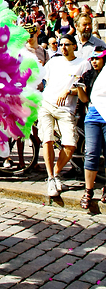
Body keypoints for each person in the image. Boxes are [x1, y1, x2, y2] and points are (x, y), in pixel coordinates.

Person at [38, 34, 90, 197]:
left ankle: (55, 172)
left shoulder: (83, 64)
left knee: (70, 144)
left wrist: (69, 91)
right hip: (46, 104)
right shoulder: (54, 62)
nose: (63, 47)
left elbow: (84, 88)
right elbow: (43, 80)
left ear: (74, 46)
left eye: (67, 44)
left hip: (66, 109)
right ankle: (52, 178)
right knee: (47, 139)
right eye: (61, 44)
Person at [77, 47, 106, 208]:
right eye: (92, 59)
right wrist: (80, 87)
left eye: (98, 59)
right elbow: (84, 99)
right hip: (93, 117)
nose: (95, 62)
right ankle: (88, 191)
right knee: (91, 153)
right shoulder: (88, 75)